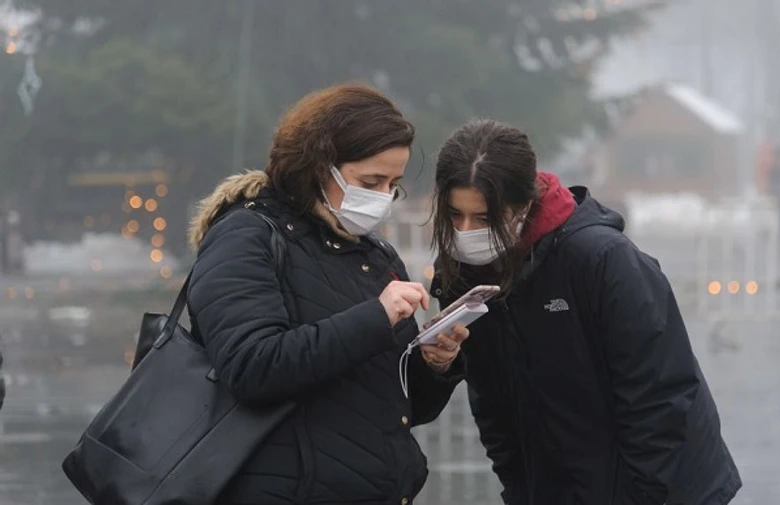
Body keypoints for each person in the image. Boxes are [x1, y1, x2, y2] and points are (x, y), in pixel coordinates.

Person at [428, 119, 741, 505]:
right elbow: (492, 397)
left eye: (484, 219)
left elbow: (660, 397)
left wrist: (638, 498)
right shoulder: (462, 275)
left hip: (662, 488)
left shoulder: (603, 260)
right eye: (455, 215)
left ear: (524, 205)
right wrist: (519, 486)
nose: (465, 231)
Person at [187, 83, 468, 505]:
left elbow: (403, 409)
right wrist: (376, 317)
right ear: (318, 167)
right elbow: (251, 368)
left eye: (392, 184)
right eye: (370, 181)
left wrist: (436, 364)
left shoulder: (375, 254)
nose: (381, 198)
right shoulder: (246, 236)